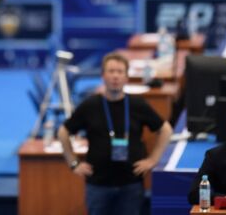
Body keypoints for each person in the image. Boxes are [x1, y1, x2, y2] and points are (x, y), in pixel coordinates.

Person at [58, 52, 173, 215]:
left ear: (126, 77)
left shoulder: (137, 104)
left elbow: (165, 130)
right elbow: (63, 132)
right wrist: (73, 163)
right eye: (111, 71)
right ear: (103, 76)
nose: (115, 76)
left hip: (131, 184)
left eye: (120, 72)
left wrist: (153, 159)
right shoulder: (90, 105)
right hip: (98, 184)